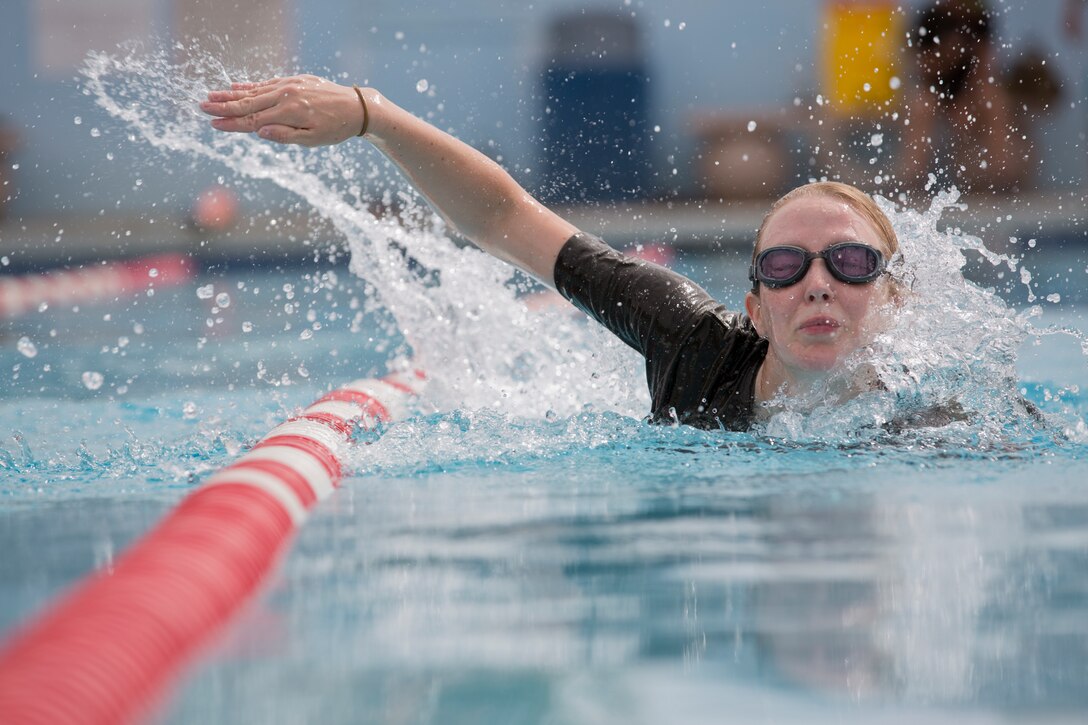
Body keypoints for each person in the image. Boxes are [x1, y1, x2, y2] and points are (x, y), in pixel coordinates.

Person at [201, 76, 902, 431]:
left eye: (849, 262)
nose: (816, 283)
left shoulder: (938, 420)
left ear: (892, 298)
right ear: (756, 307)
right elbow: (508, 218)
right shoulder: (696, 345)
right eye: (785, 265)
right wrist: (371, 115)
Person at [896, 0, 1031, 197]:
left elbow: (986, 66)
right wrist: (946, 56)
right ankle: (912, 178)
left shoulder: (978, 18)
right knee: (921, 106)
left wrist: (966, 101)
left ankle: (1004, 176)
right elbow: (922, 68)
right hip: (937, 86)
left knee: (994, 101)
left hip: (969, 88)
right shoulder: (930, 18)